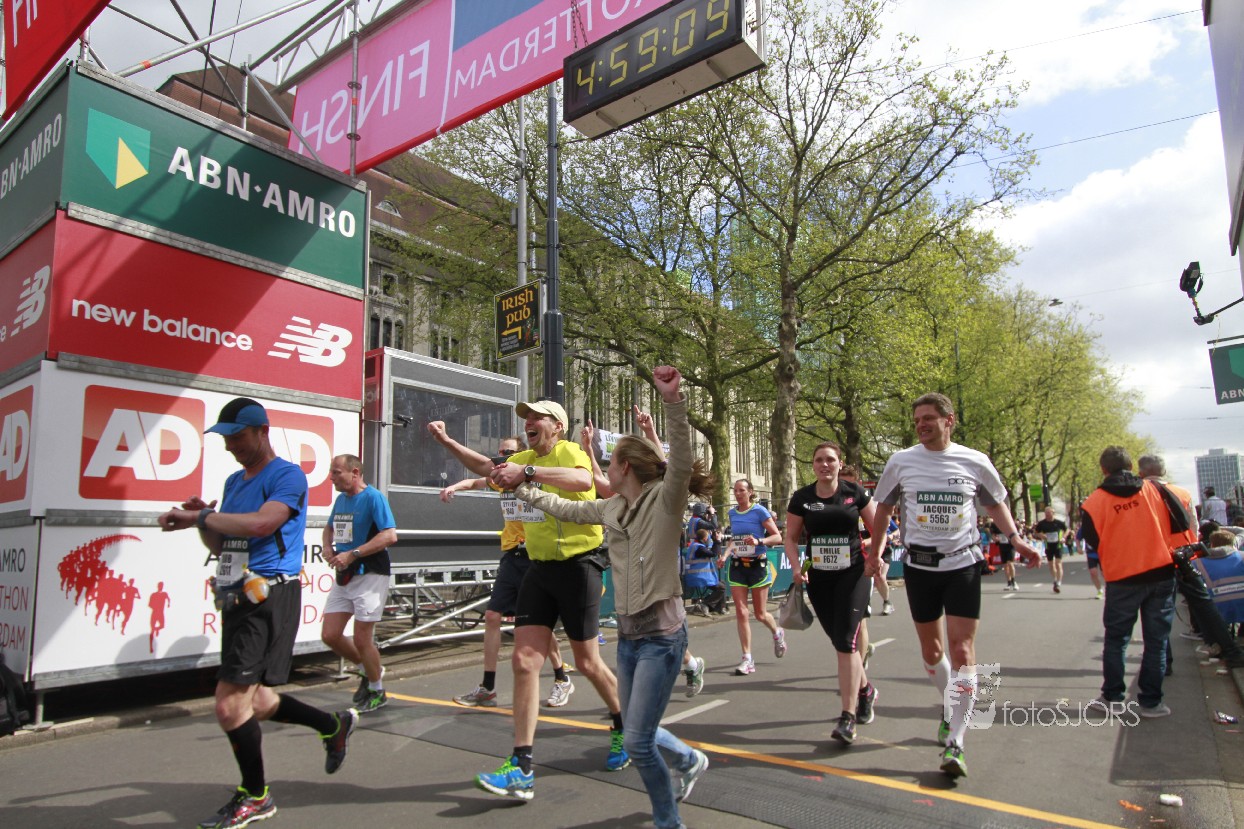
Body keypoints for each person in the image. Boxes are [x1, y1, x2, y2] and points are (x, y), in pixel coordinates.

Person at [511, 365, 712, 829]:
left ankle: (668, 820)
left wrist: (673, 400)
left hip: (663, 636)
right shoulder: (613, 508)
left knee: (637, 740)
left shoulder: (666, 500)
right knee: (640, 728)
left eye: (609, 460)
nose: (602, 467)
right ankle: (688, 760)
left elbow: (681, 460)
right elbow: (565, 507)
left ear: (625, 468)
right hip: (629, 636)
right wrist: (523, 488)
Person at [158, 397, 355, 829]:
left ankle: (256, 796)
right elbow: (223, 545)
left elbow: (263, 524)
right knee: (259, 702)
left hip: (269, 597)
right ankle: (332, 724)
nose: (231, 445)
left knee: (230, 705)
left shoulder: (287, 475)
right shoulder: (233, 481)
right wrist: (203, 522)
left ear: (262, 431)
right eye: (226, 439)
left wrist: (202, 515)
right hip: (238, 594)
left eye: (239, 436)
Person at [865, 392, 1037, 779]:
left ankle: (956, 740)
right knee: (932, 652)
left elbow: (995, 504)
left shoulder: (974, 460)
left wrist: (1016, 539)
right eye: (916, 421)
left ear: (949, 420)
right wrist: (875, 554)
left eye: (928, 418)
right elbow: (884, 509)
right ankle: (951, 704)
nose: (921, 425)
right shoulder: (901, 461)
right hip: (919, 566)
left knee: (962, 650)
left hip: (963, 563)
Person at [473, 398, 628, 800]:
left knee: (587, 662)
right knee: (524, 661)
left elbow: (581, 480)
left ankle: (624, 724)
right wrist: (445, 442)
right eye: (525, 417)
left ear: (557, 425)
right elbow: (487, 469)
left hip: (579, 566)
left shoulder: (569, 451)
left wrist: (526, 472)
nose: (529, 422)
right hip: (538, 567)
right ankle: (521, 764)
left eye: (537, 417)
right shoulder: (523, 456)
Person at [431, 431, 575, 711]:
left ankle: (561, 677)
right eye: (500, 453)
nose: (502, 458)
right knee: (492, 616)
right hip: (512, 556)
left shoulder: (533, 479)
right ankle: (487, 687)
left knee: (537, 624)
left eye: (508, 453)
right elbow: (476, 480)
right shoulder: (500, 481)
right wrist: (454, 487)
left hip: (535, 556)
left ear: (520, 457)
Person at [785, 441, 880, 746]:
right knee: (840, 642)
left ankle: (847, 718)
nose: (824, 464)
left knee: (846, 641)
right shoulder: (802, 498)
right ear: (813, 465)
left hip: (853, 575)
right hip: (820, 578)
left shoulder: (855, 493)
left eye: (830, 460)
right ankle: (865, 690)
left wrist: (876, 557)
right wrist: (796, 567)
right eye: (818, 460)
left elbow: (878, 528)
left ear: (840, 463)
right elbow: (790, 537)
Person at [1081, 447, 1182, 717]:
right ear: (1132, 467)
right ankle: (1151, 702)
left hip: (1122, 576)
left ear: (1104, 469)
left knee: (1117, 639)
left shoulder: (1094, 501)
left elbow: (1092, 539)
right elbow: (1178, 524)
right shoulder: (1155, 491)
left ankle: (1113, 697)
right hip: (1161, 571)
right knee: (1157, 641)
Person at [1137, 455, 1244, 669]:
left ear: (1140, 473)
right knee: (1204, 605)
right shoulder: (1182, 493)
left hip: (1154, 560)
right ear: (1163, 472)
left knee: (1156, 613)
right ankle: (1229, 650)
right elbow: (1193, 528)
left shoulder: (1138, 495)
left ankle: (1163, 662)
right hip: (1183, 558)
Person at [320, 454, 398, 714]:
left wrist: (353, 554)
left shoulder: (374, 497)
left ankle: (377, 690)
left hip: (370, 573)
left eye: (336, 472)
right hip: (345, 574)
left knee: (363, 638)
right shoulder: (341, 500)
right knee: (330, 635)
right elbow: (329, 528)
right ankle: (368, 669)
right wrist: (327, 547)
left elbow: (390, 536)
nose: (331, 478)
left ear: (354, 473)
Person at [724, 479, 785, 675]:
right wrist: (725, 555)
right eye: (735, 490)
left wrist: (759, 541)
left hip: (757, 565)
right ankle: (747, 659)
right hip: (737, 566)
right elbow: (735, 540)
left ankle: (777, 633)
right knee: (741, 613)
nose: (738, 494)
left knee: (760, 614)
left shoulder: (759, 511)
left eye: (742, 490)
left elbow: (778, 537)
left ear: (750, 492)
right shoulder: (732, 513)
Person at [1033, 507, 1068, 593]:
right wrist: (1041, 535)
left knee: (1058, 564)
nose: (1047, 514)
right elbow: (1036, 532)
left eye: (1049, 513)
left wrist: (1063, 537)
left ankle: (1059, 582)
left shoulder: (1058, 523)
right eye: (1046, 513)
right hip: (1048, 546)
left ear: (1053, 513)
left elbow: (1067, 530)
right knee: (1051, 565)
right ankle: (1055, 579)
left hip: (1058, 545)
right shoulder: (1042, 523)